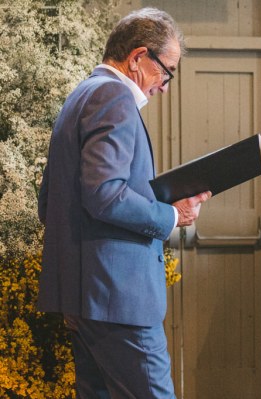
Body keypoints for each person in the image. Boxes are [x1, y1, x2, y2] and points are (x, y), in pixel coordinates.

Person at [37, 8, 211, 398]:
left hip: (86, 298)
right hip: (119, 299)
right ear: (137, 57)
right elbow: (104, 193)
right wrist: (170, 214)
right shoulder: (114, 97)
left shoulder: (81, 94)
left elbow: (48, 200)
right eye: (166, 71)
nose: (165, 85)